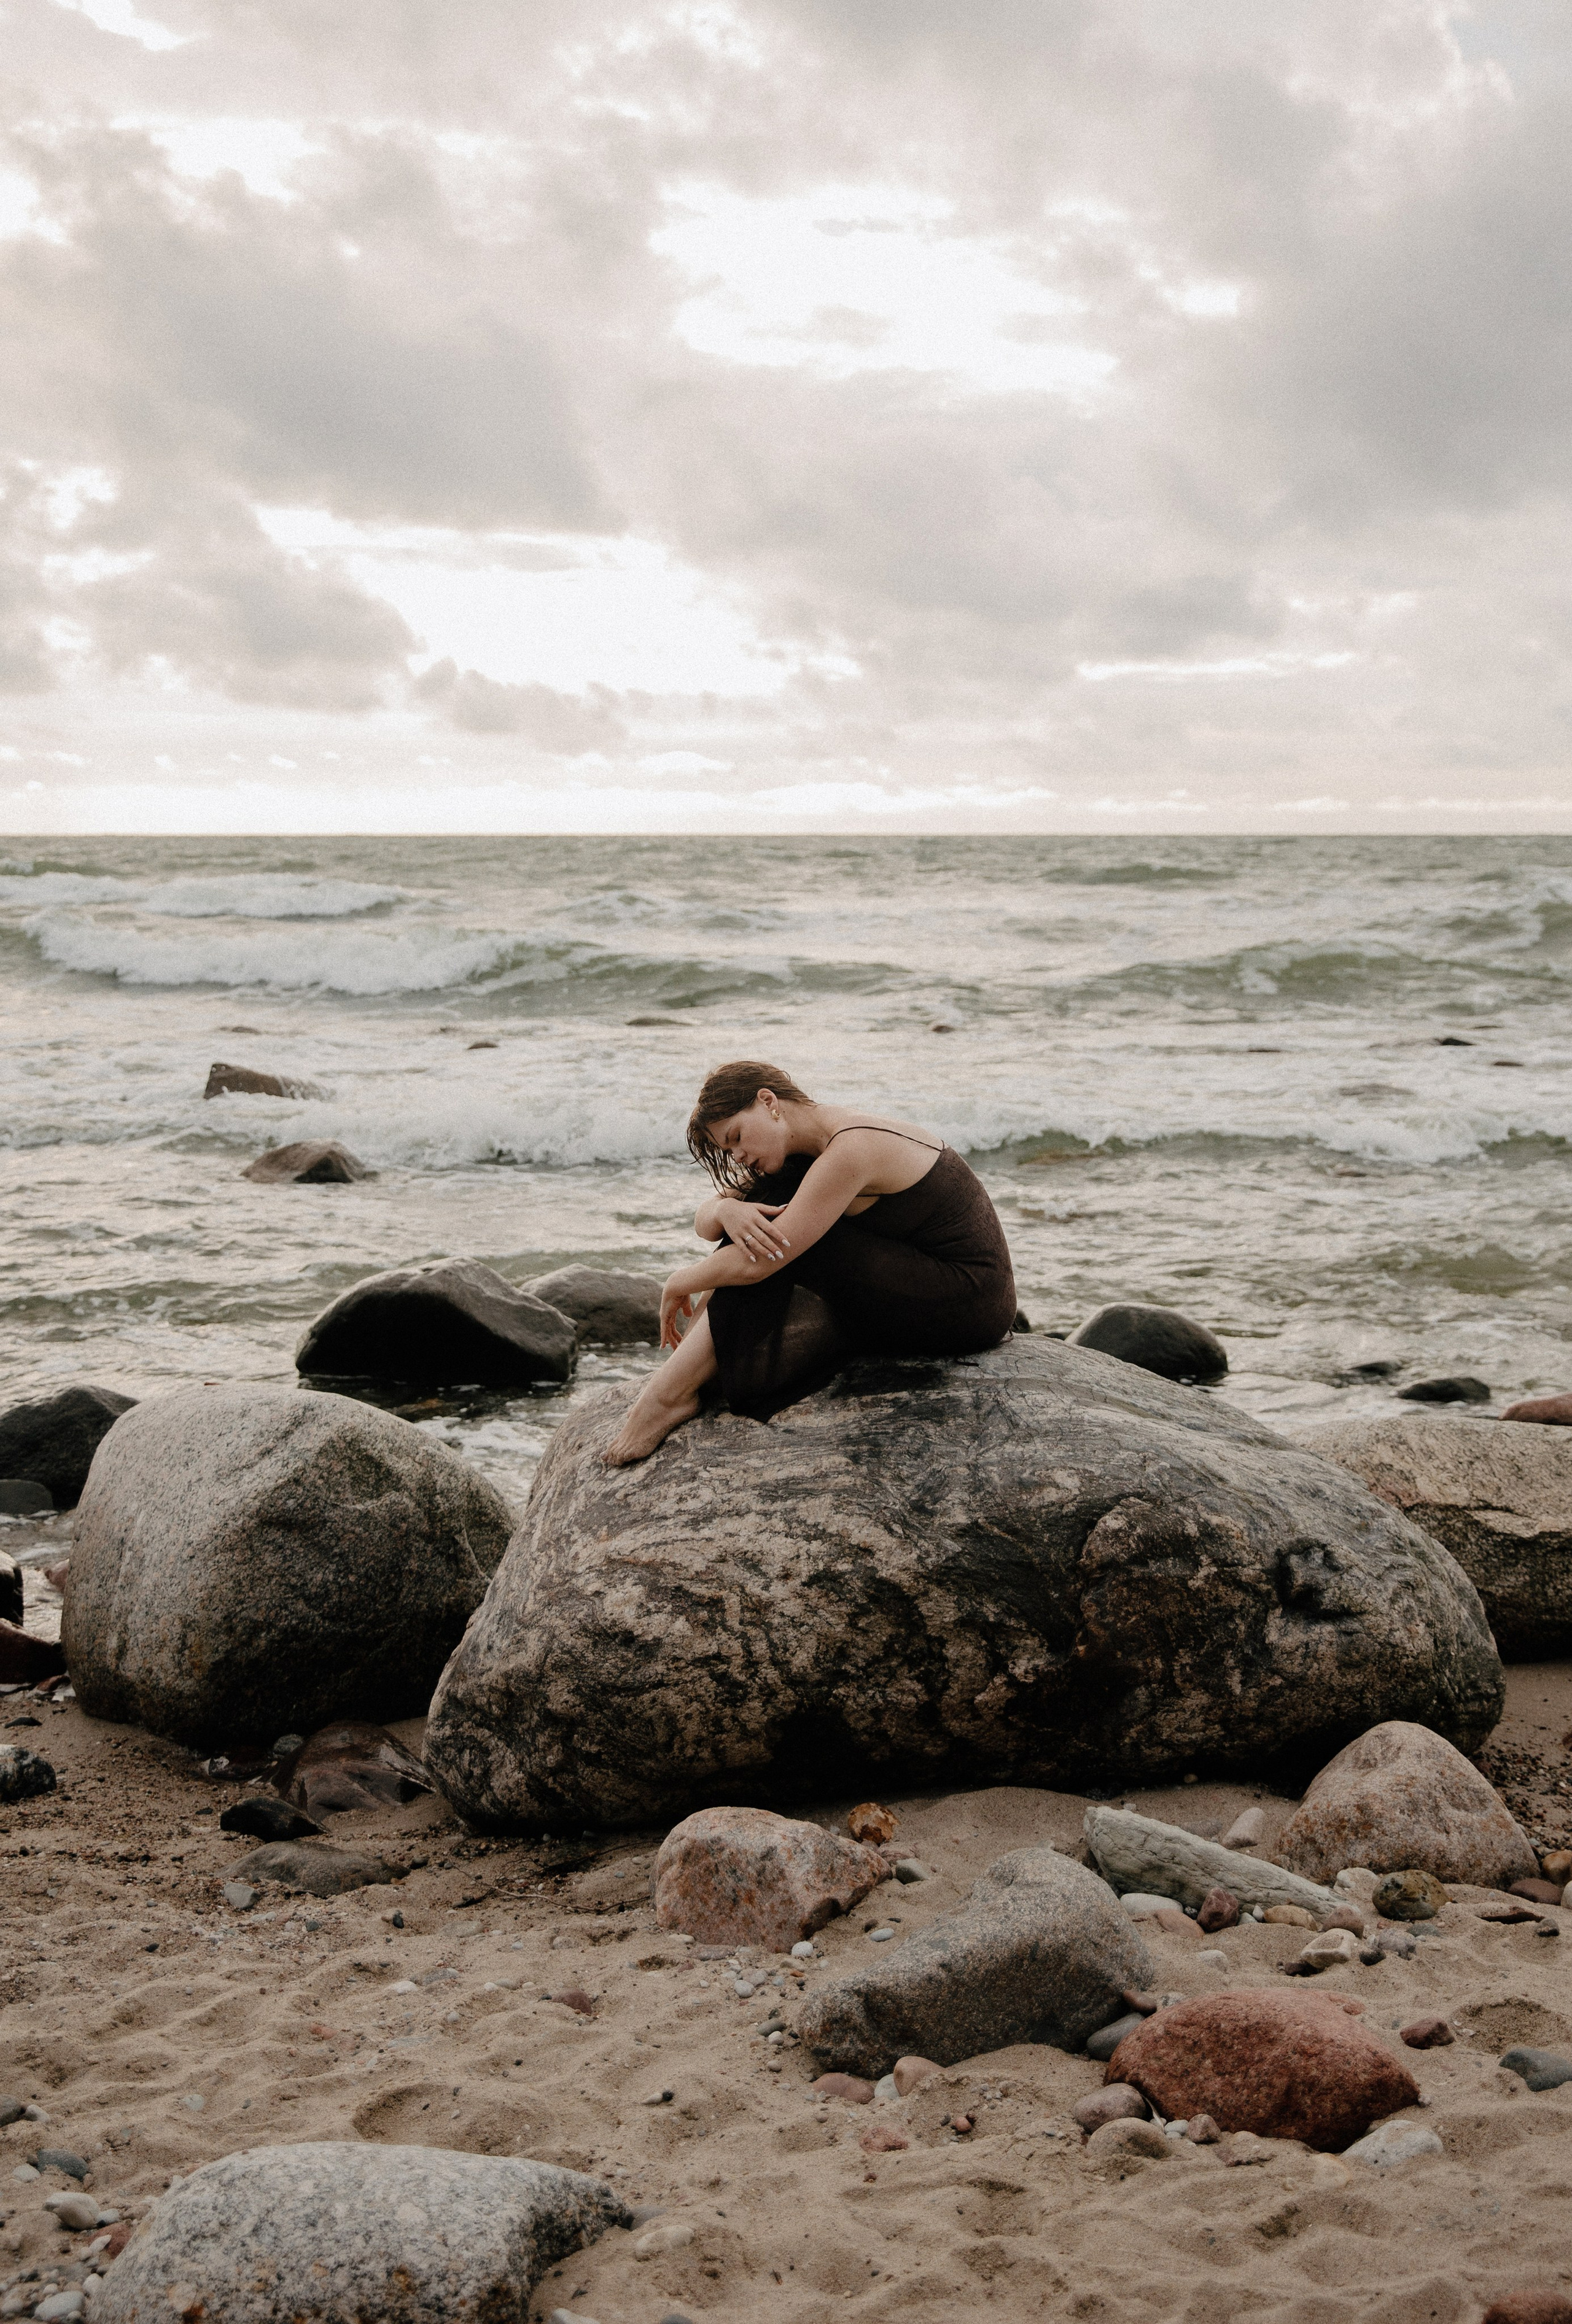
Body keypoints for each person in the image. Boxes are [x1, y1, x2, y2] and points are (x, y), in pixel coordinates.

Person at [602, 1061, 1018, 1465]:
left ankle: (669, 1395)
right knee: (763, 1214)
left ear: (768, 1102)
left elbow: (763, 1261)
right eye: (729, 1151)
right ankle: (685, 1376)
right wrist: (727, 1211)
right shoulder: (806, 1149)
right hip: (916, 1284)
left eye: (737, 1137)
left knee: (778, 1236)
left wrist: (680, 1281)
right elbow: (707, 1224)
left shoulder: (851, 1147)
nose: (739, 1156)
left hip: (970, 1302)